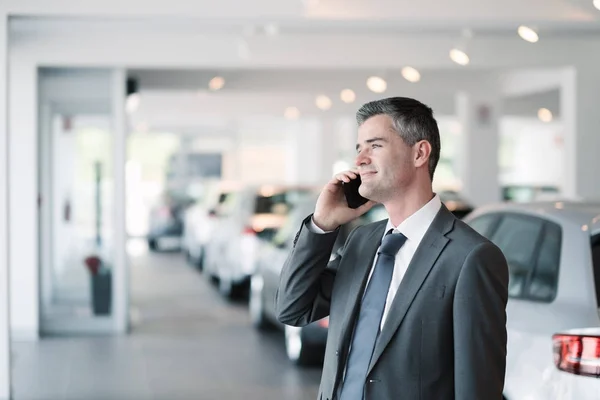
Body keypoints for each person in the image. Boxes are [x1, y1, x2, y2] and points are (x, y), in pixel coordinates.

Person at [276, 97, 509, 400]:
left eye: (374, 146)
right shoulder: (363, 240)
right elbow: (293, 308)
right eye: (358, 149)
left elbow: (476, 389)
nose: (360, 160)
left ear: (419, 153)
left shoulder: (470, 257)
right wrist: (322, 224)